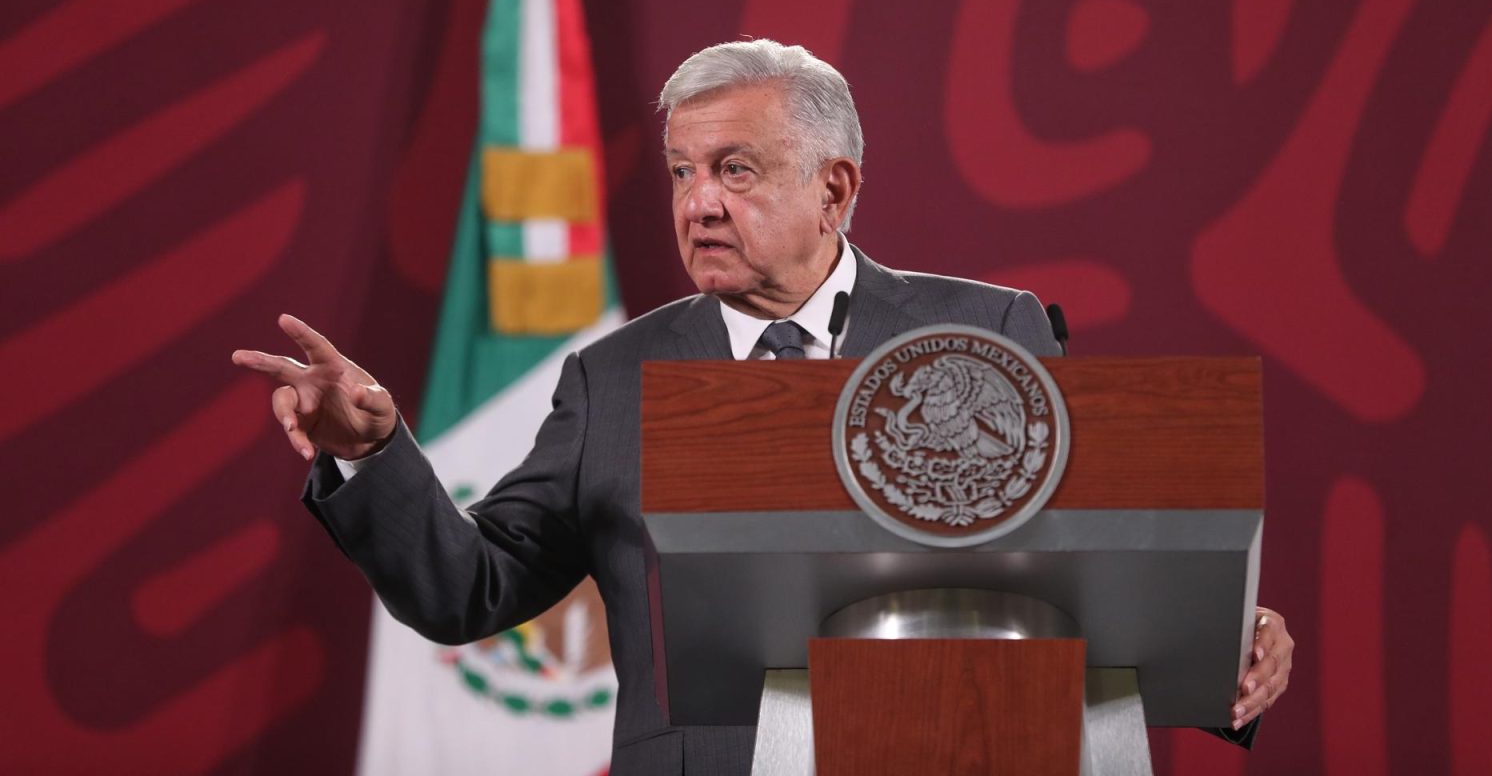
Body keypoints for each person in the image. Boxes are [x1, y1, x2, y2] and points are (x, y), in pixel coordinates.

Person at [234, 39, 1292, 775]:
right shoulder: (614, 380)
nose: (698, 201)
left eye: (736, 169)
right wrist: (375, 456)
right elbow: (472, 588)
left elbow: (1089, 557)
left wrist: (1225, 636)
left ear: (836, 190)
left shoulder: (992, 334)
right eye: (684, 170)